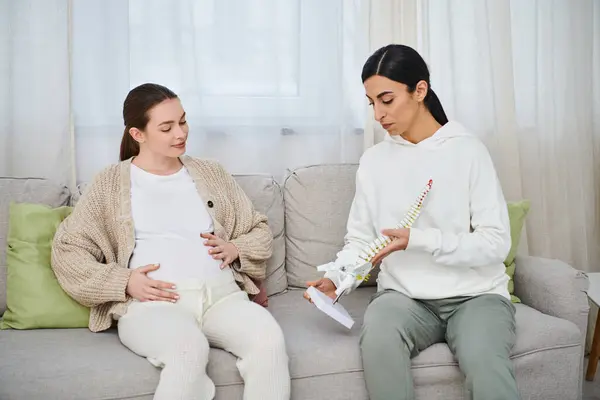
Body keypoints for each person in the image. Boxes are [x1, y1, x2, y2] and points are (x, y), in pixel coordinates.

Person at [304, 44, 519, 400]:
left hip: (475, 296)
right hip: (405, 298)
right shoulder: (374, 161)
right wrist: (335, 280)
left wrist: (419, 240)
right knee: (378, 342)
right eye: (372, 103)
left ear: (419, 90)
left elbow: (496, 243)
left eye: (386, 100)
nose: (378, 114)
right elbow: (360, 240)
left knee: (486, 364)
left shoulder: (467, 150)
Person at [51, 83, 291, 400]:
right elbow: (67, 251)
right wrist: (124, 283)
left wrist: (236, 249)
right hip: (154, 307)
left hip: (222, 299)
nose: (180, 133)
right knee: (187, 350)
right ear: (138, 134)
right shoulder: (111, 183)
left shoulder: (211, 172)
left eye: (182, 121)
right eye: (166, 127)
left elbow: (258, 229)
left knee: (269, 341)